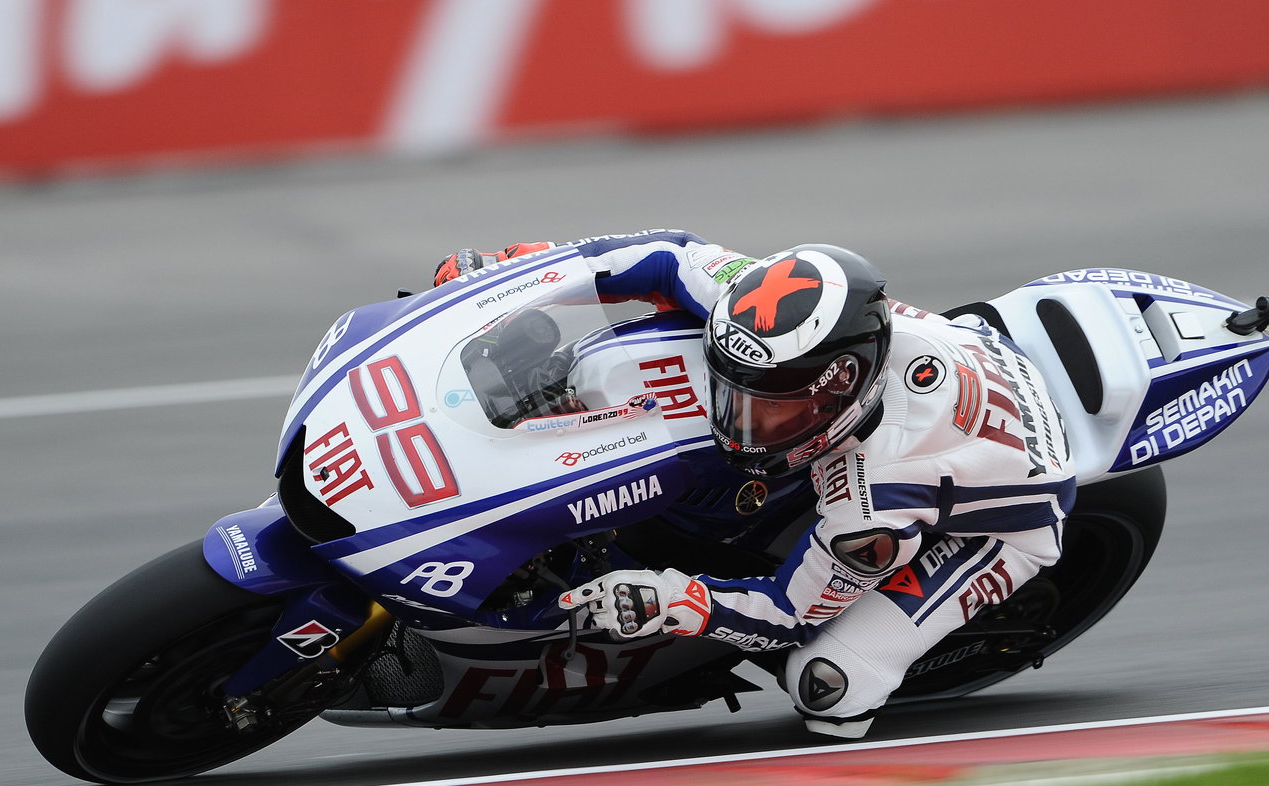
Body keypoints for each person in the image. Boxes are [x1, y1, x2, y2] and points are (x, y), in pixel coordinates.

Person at [433, 230, 1074, 738]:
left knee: (830, 688)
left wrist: (672, 600)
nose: (743, 421)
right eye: (734, 392)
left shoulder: (870, 503)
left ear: (841, 393)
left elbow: (789, 616)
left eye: (774, 408)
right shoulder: (763, 310)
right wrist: (517, 273)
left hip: (1008, 524)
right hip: (971, 354)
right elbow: (669, 255)